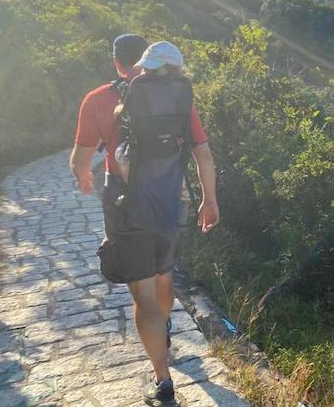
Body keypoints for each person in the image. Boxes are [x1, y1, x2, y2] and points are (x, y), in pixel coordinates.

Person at [70, 34, 219, 404]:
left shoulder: (98, 99)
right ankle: (163, 329)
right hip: (170, 202)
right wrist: (209, 200)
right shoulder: (178, 97)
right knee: (164, 274)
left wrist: (83, 176)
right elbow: (203, 154)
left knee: (142, 293)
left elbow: (79, 158)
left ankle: (163, 381)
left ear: (118, 63)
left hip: (126, 207)